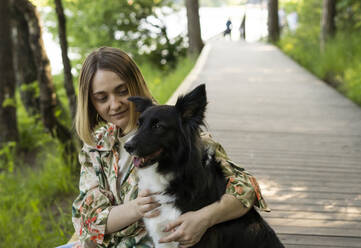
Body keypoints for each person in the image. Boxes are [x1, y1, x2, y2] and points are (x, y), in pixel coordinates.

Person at [60, 47, 269, 248]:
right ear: (91, 103)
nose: (114, 105)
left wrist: (203, 219)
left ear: (136, 85)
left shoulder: (178, 132)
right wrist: (136, 207)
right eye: (102, 98)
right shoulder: (96, 148)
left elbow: (247, 188)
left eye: (122, 91)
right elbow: (87, 220)